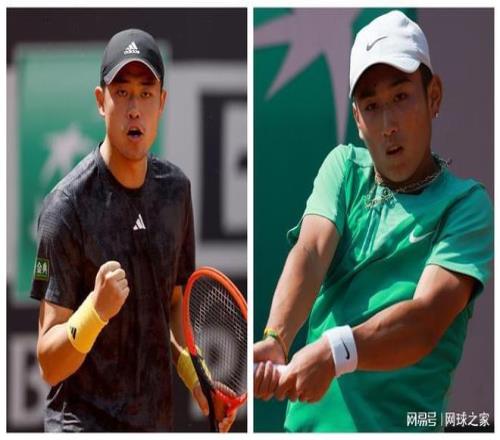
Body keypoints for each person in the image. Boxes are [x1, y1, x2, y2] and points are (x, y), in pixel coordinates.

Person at [254, 11, 493, 432]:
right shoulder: (343, 168)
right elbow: (311, 250)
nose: (388, 125)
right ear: (358, 120)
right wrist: (276, 338)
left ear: (434, 96)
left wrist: (335, 353)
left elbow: (424, 321)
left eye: (401, 97)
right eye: (372, 106)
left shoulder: (467, 206)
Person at [31, 28, 236, 432]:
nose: (134, 109)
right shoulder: (65, 207)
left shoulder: (176, 192)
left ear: (162, 102)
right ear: (100, 102)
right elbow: (49, 364)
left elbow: (172, 305)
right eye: (122, 92)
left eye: (145, 93)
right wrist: (95, 311)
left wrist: (195, 375)